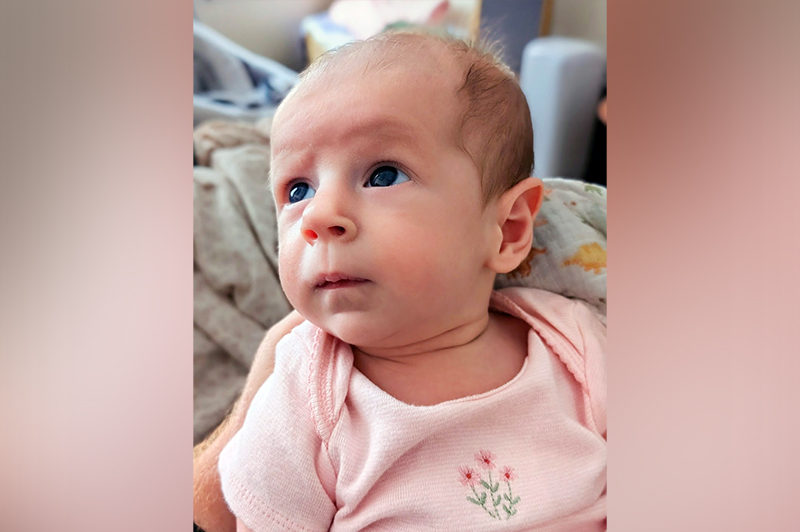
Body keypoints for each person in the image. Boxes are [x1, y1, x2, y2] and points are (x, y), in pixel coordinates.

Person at [201, 30, 606, 531]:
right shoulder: (304, 393)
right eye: (298, 189)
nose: (319, 215)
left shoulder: (574, 342)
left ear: (508, 230)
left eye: (383, 175)